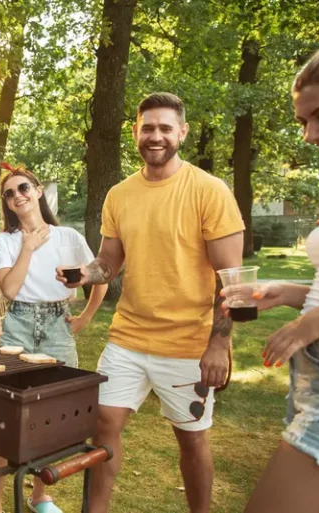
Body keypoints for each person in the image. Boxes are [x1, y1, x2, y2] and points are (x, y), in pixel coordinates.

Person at [58, 93, 245, 513]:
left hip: (187, 345)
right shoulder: (120, 195)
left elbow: (231, 279)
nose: (155, 136)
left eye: (165, 128)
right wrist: (84, 274)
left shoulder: (209, 191)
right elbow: (109, 262)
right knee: (103, 423)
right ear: (135, 133)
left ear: (182, 133)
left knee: (191, 437)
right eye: (147, 127)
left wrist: (218, 344)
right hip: (128, 337)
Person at [221, 48, 319, 513]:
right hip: (307, 385)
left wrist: (309, 324)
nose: (310, 135)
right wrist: (291, 294)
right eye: (304, 121)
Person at [0, 165, 108, 513]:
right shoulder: (2, 242)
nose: (17, 195)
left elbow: (101, 279)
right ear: (6, 203)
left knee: (53, 414)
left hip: (56, 327)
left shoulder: (68, 237)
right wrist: (27, 247)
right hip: (18, 322)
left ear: (37, 191)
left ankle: (40, 497)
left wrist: (83, 318)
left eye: (23, 188)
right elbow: (9, 289)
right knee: (4, 414)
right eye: (9, 193)